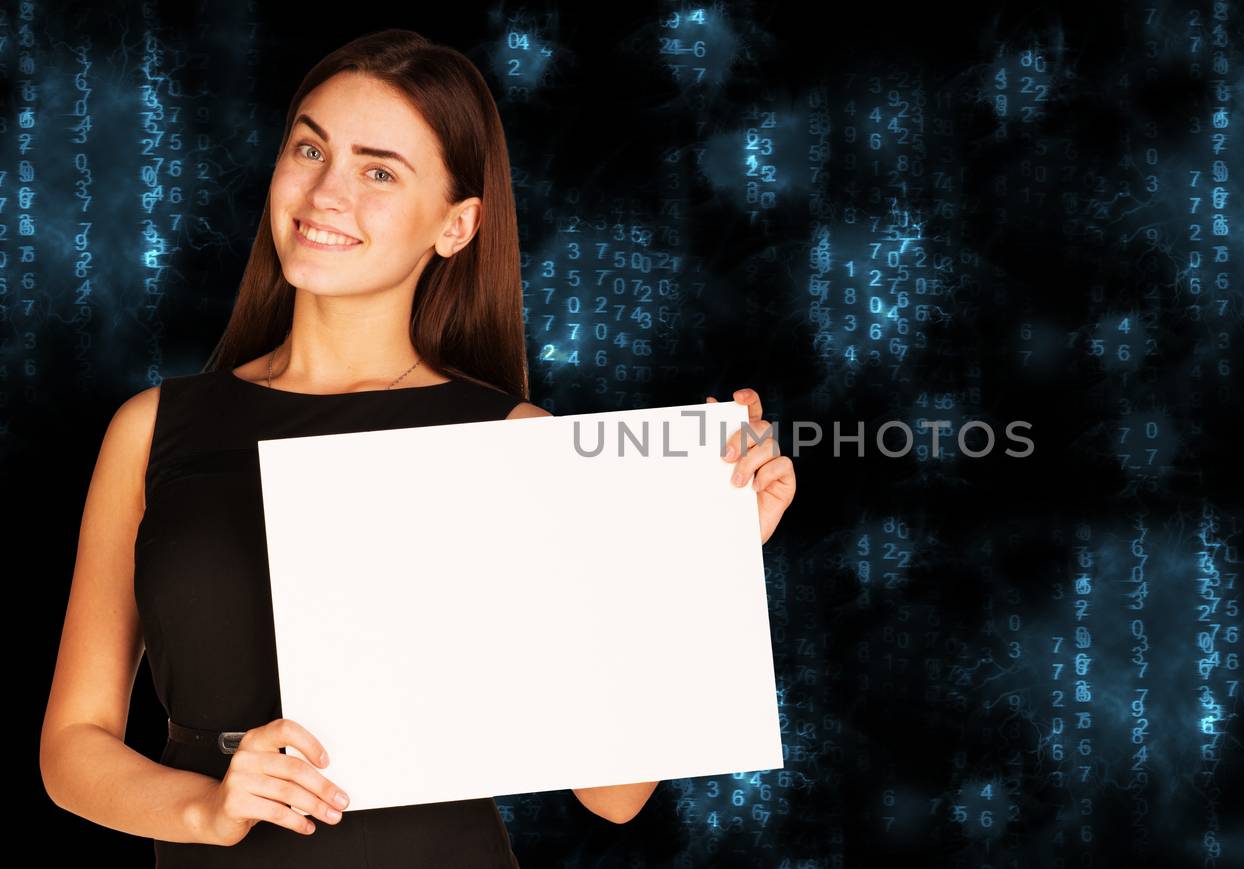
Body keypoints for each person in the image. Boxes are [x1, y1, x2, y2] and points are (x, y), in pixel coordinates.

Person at [38, 29, 797, 866]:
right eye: (309, 147)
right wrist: (205, 808)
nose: (327, 191)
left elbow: (613, 796)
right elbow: (74, 744)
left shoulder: (512, 442)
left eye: (379, 171)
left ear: (457, 225)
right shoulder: (151, 428)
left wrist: (707, 559)